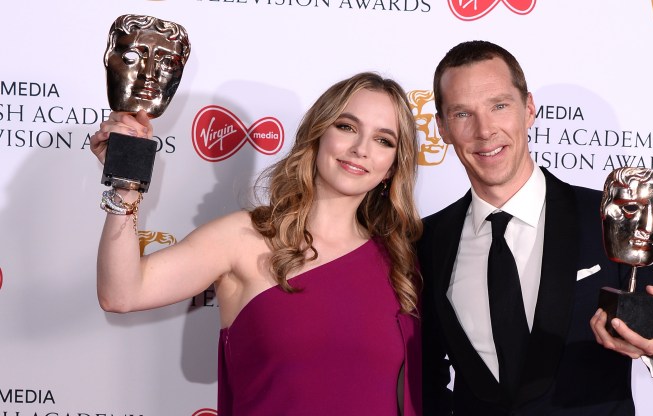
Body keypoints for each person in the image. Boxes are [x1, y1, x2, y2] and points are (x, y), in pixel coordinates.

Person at [90, 72, 422, 416]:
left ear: (391, 168)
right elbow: (122, 293)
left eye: (384, 140)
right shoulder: (243, 238)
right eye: (347, 127)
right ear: (318, 133)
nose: (361, 149)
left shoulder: (400, 263)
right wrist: (126, 181)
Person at [418, 40, 653, 415]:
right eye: (463, 114)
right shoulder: (427, 241)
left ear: (528, 109)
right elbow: (425, 377)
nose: (485, 130)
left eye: (499, 106)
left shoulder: (611, 218)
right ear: (442, 127)